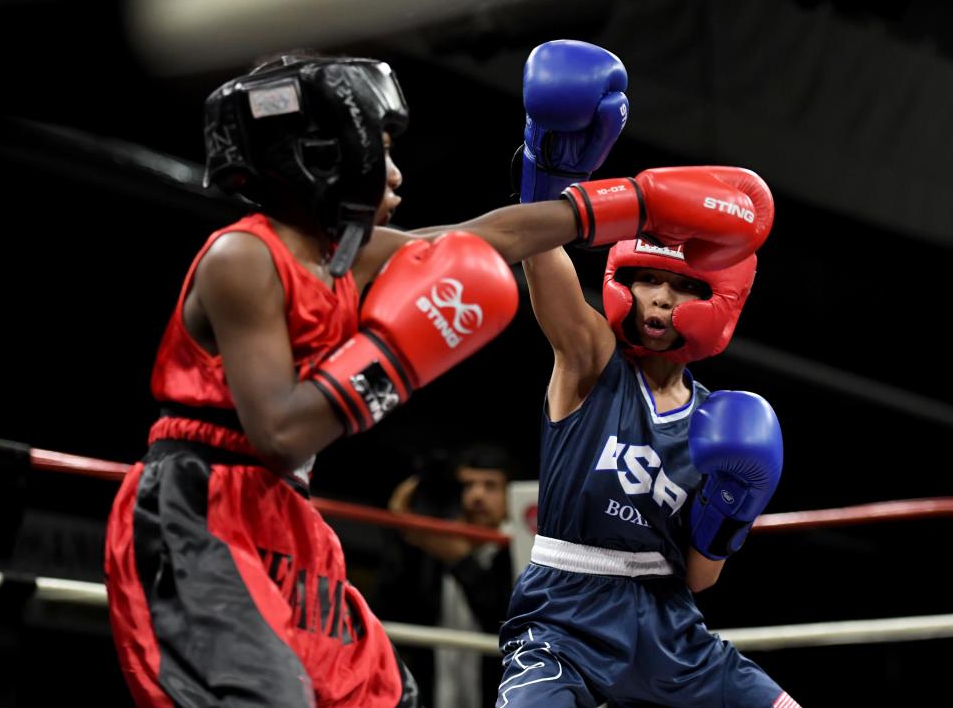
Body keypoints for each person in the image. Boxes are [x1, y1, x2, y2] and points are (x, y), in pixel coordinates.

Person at [101, 42, 769, 707]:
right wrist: (397, 356)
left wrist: (636, 203)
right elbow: (278, 429)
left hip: (283, 515)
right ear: (323, 159)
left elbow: (486, 241)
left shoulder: (346, 258)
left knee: (381, 696)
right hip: (200, 506)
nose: (396, 175)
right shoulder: (242, 258)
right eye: (381, 153)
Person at [493, 42, 798, 707]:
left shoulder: (722, 424)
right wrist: (543, 177)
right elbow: (544, 266)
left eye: (680, 286)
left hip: (671, 630)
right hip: (563, 618)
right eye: (645, 279)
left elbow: (698, 576)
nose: (659, 299)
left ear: (715, 299)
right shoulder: (590, 361)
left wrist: (731, 509)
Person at [373, 444, 514, 708]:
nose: (477, 496)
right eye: (468, 485)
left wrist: (461, 561)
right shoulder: (433, 551)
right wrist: (403, 534)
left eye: (490, 486)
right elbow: (387, 609)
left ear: (510, 496)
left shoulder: (521, 551)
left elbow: (506, 623)